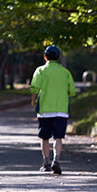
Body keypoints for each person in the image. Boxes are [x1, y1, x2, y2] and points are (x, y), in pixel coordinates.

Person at [30, 45, 76, 175]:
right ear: (58, 57)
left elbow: (34, 87)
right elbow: (72, 91)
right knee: (58, 138)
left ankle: (46, 163)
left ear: (45, 57)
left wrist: (33, 100)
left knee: (44, 138)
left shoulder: (40, 71)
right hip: (61, 110)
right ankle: (56, 160)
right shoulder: (65, 72)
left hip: (44, 110)